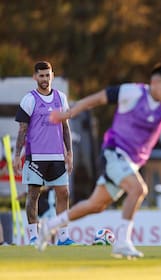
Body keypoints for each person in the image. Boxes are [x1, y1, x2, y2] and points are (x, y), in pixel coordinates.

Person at [37, 63, 161, 258]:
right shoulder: (132, 92)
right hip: (114, 152)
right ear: (155, 82)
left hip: (131, 162)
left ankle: (50, 226)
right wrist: (68, 113)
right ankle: (122, 242)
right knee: (139, 189)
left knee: (95, 205)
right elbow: (96, 99)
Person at [13, 61, 75, 246]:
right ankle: (33, 235)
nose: (45, 79)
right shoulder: (29, 99)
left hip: (57, 156)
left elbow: (65, 127)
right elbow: (22, 130)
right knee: (33, 195)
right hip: (35, 156)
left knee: (63, 193)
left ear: (52, 76)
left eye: (47, 75)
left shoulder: (60, 98)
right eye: (41, 75)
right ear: (35, 77)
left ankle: (63, 237)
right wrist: (18, 155)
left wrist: (69, 153)